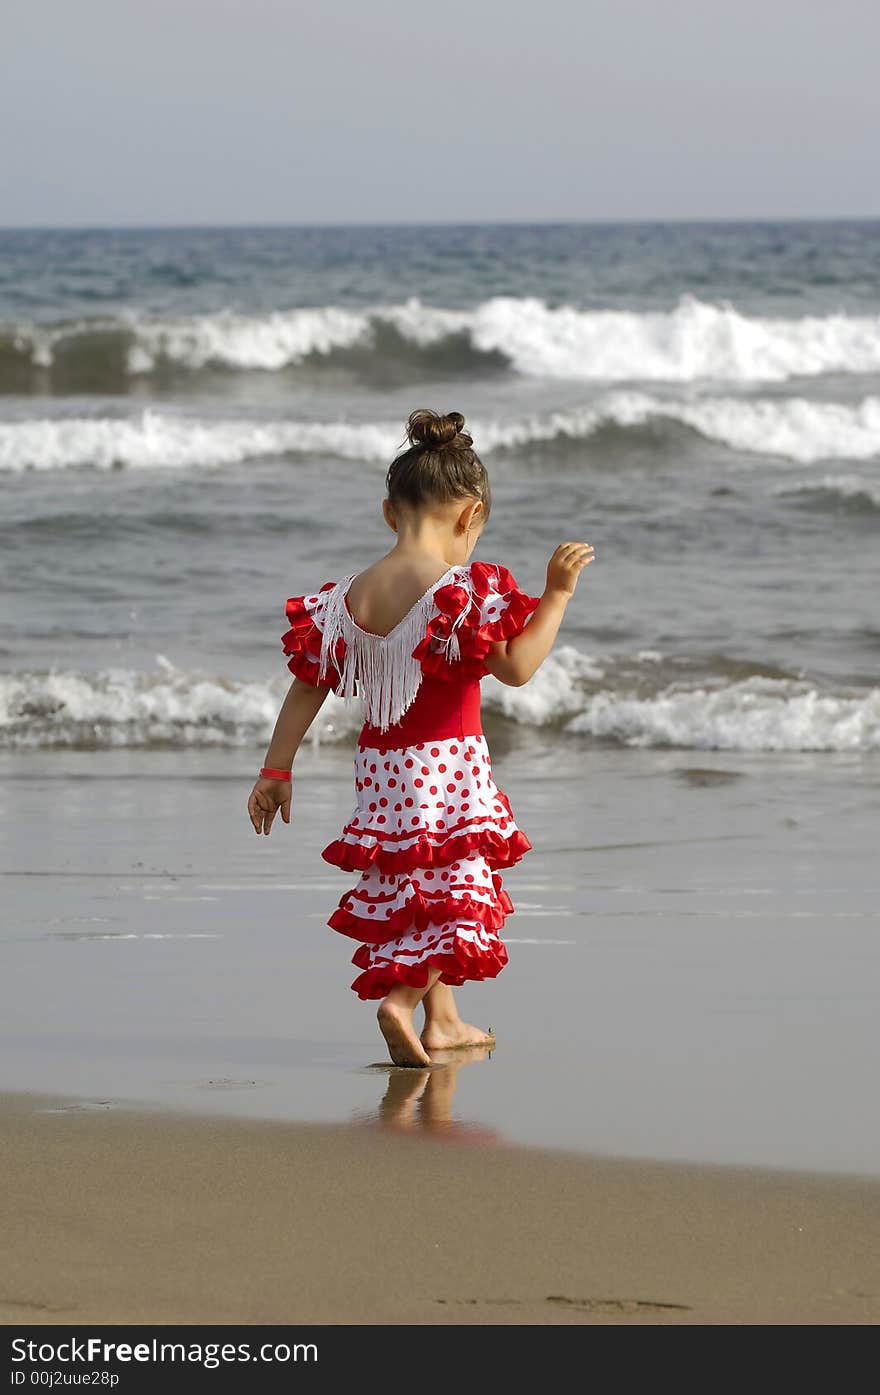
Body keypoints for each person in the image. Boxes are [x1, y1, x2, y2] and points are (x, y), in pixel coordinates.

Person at [247, 409, 594, 1067]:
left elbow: (308, 685)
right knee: (460, 894)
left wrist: (276, 769)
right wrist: (556, 595)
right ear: (471, 517)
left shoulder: (347, 598)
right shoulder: (464, 589)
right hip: (449, 766)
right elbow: (518, 669)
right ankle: (401, 1001)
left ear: (388, 512)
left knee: (418, 888)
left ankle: (445, 1020)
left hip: (382, 771)